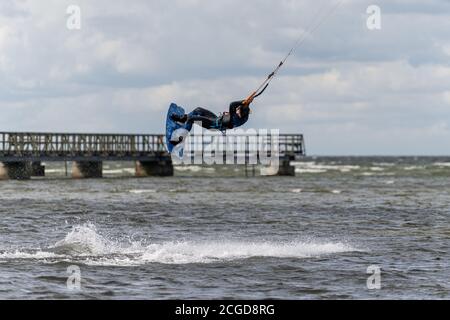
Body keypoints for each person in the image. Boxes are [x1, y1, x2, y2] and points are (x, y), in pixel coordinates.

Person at [170, 97, 254, 133]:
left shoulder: (236, 118)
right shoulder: (244, 116)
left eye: (238, 110)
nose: (237, 110)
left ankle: (180, 137)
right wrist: (247, 102)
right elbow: (243, 108)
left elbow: (232, 104)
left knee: (192, 119)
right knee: (198, 110)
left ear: (241, 114)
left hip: (212, 125)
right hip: (216, 120)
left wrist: (242, 101)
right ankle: (182, 120)